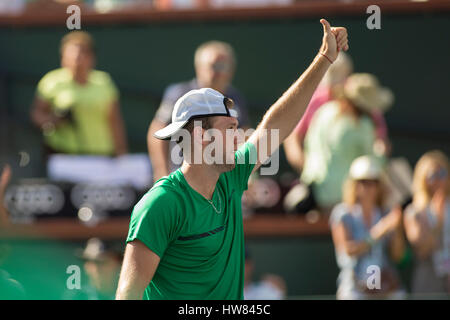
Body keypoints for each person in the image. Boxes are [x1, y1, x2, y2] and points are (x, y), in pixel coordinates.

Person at [115, 18, 348, 300]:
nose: (240, 138)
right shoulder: (160, 204)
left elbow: (273, 127)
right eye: (230, 130)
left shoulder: (232, 176)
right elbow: (128, 295)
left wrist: (324, 59)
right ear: (202, 136)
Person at [147, 40, 250, 183]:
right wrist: (162, 172)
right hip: (182, 178)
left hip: (220, 181)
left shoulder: (235, 98)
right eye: (215, 66)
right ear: (199, 68)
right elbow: (158, 131)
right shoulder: (179, 94)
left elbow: (244, 135)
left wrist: (245, 175)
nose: (220, 71)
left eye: (225, 66)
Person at [294, 73, 394, 214]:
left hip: (315, 193)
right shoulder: (361, 125)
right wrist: (383, 153)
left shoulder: (324, 112)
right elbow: (372, 163)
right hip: (342, 199)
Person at [283, 53, 391, 174]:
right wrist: (307, 170)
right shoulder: (314, 102)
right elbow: (293, 140)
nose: (336, 87)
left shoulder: (366, 104)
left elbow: (382, 143)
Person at [30, 31, 128, 157]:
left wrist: (121, 151)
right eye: (72, 53)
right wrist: (54, 121)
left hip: (101, 155)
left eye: (82, 53)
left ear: (92, 57)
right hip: (63, 153)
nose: (77, 58)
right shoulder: (51, 82)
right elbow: (37, 113)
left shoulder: (104, 82)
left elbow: (115, 121)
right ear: (63, 57)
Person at [330, 155, 406, 300]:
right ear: (353, 185)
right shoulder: (342, 213)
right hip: (354, 288)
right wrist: (380, 231)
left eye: (373, 182)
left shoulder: (386, 213)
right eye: (362, 182)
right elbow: (347, 250)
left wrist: (396, 229)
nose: (367, 187)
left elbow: (398, 255)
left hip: (386, 287)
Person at [404, 150, 450, 297]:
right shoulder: (414, 212)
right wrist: (439, 220)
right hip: (428, 281)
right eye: (432, 175)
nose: (438, 180)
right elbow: (422, 250)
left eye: (442, 173)